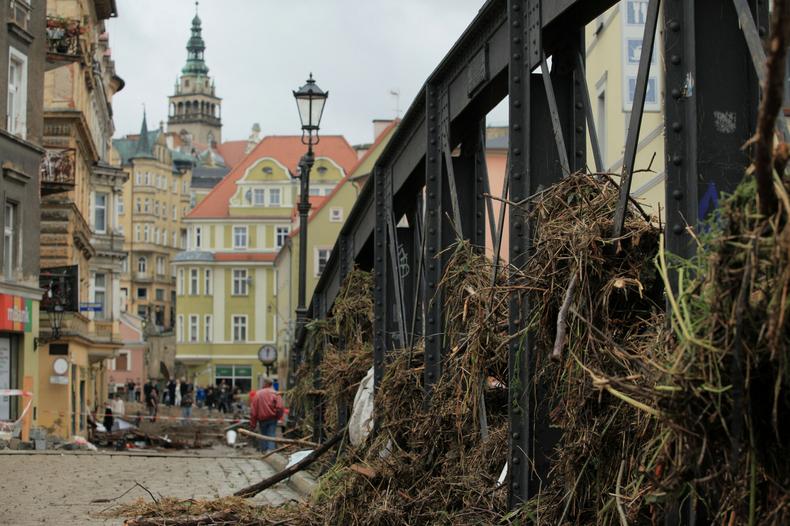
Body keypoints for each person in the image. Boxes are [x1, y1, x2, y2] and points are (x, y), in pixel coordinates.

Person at [249, 379, 284, 451]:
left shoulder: (258, 394)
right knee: (271, 435)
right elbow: (280, 407)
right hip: (272, 418)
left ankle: (264, 451)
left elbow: (253, 411)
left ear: (265, 384)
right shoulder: (275, 393)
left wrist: (253, 424)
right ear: (271, 384)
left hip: (262, 419)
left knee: (263, 435)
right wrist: (278, 416)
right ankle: (270, 451)